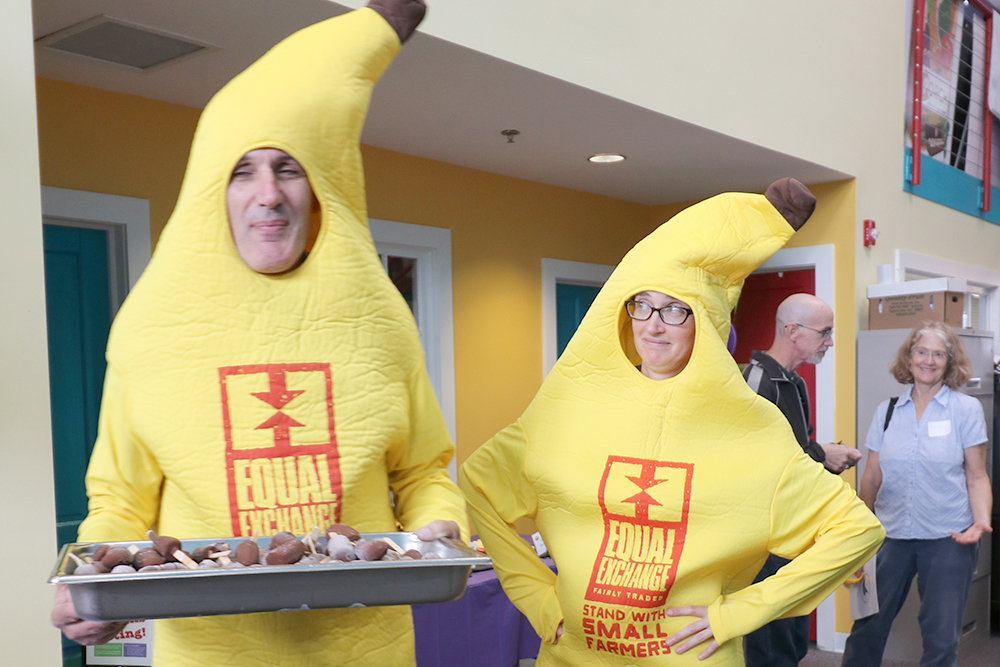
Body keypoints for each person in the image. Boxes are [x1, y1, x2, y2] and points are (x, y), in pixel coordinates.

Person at [52, 2, 469, 665]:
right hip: (209, 654)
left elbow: (422, 472)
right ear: (211, 194)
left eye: (289, 168)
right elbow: (121, 497)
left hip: (364, 651)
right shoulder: (150, 329)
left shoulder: (381, 320)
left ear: (322, 189)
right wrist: (95, 588)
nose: (267, 193)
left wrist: (439, 525)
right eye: (242, 170)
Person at [459, 179, 884, 666]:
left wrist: (741, 612)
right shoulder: (568, 411)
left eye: (676, 310)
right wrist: (536, 596)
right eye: (641, 305)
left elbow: (856, 530)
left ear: (707, 322)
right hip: (574, 655)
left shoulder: (749, 427)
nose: (653, 324)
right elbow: (481, 482)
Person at [841, 322, 992, 667]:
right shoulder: (887, 411)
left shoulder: (965, 409)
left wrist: (980, 522)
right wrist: (859, 531)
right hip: (890, 535)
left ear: (949, 362)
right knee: (868, 626)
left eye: (938, 354)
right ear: (909, 358)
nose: (929, 360)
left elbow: (977, 476)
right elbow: (872, 477)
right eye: (922, 352)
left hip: (947, 536)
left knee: (941, 636)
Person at [741, 293, 862, 667]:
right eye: (824, 332)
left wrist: (826, 457)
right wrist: (823, 454)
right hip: (764, 537)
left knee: (793, 644)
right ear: (792, 331)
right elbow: (749, 463)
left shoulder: (795, 383)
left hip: (794, 530)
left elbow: (796, 453)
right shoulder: (755, 381)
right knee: (770, 647)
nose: (830, 341)